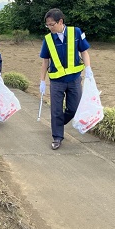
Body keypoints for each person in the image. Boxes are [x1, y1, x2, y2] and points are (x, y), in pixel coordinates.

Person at [39, 8, 93, 150]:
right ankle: (57, 137)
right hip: (56, 81)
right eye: (48, 25)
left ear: (60, 21)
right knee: (56, 110)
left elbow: (84, 52)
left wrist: (88, 68)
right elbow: (45, 61)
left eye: (52, 24)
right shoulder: (48, 39)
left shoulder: (75, 32)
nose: (50, 27)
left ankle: (57, 123)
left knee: (74, 108)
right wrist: (42, 81)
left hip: (74, 79)